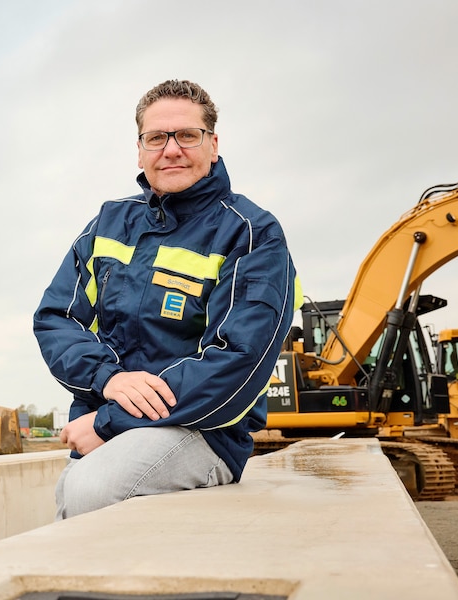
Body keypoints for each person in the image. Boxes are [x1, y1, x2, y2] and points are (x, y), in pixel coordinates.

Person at [33, 79, 299, 520]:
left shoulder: (251, 233)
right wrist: (108, 380)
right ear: (140, 150)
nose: (171, 149)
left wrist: (108, 422)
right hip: (109, 419)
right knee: (75, 495)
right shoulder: (108, 223)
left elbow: (238, 361)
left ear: (213, 145)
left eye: (186, 136)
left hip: (204, 429)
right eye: (156, 138)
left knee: (89, 490)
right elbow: (57, 318)